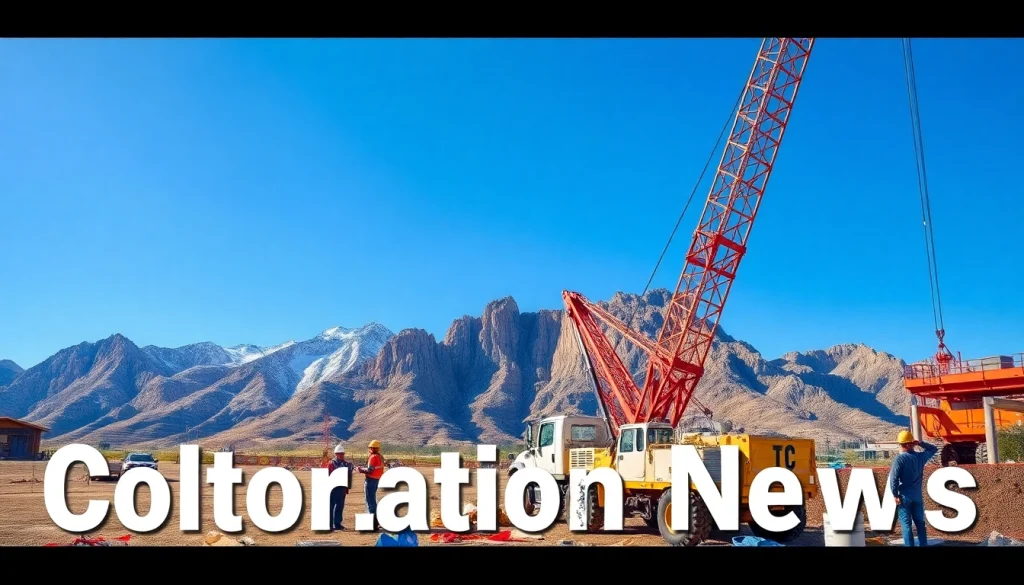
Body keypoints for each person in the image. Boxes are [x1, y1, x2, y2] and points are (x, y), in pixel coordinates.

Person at [888, 430, 938, 546]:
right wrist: (920, 443)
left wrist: (895, 494)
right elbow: (933, 449)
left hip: (904, 497)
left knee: (906, 525)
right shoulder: (920, 457)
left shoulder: (899, 459)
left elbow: (894, 478)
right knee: (920, 524)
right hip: (917, 497)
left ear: (901, 445)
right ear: (911, 444)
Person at [357, 440, 385, 531]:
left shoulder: (373, 457)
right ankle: (376, 522)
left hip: (371, 480)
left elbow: (370, 470)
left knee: (370, 502)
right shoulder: (380, 457)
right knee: (372, 501)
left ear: (372, 448)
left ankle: (373, 524)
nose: (369, 449)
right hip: (376, 480)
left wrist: (360, 470)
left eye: (370, 448)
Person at [327, 443, 354, 531]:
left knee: (340, 506)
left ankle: (338, 524)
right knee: (331, 506)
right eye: (339, 454)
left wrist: (347, 488)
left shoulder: (347, 464)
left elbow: (349, 476)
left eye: (342, 453)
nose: (341, 455)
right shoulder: (331, 464)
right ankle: (330, 525)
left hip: (342, 488)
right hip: (333, 488)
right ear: (336, 454)